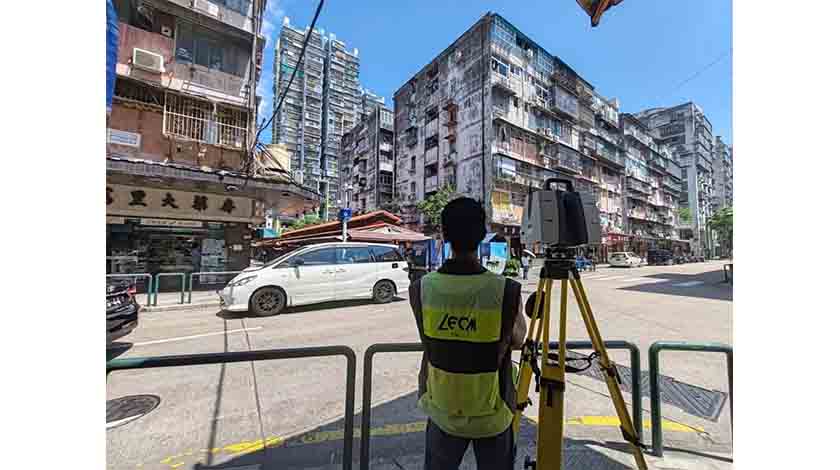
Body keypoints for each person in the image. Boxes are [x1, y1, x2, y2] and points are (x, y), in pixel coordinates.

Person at [408, 197, 527, 470]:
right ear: (482, 233)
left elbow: (428, 342)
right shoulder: (506, 290)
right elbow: (519, 340)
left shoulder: (421, 288)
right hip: (493, 413)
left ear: (444, 234)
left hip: (442, 407)